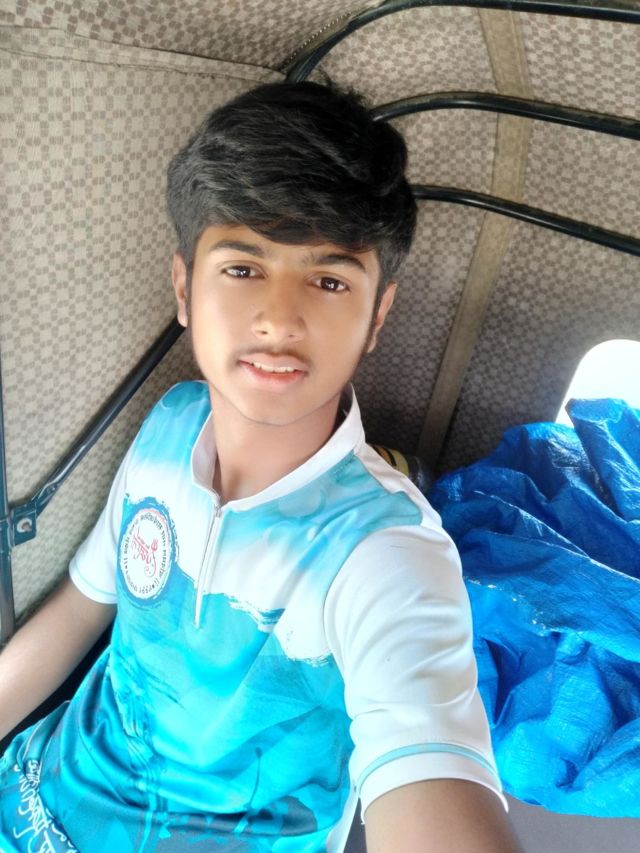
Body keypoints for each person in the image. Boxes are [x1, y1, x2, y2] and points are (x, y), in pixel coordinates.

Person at [0, 81, 521, 852]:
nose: (279, 318)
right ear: (185, 288)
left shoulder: (386, 552)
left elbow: (430, 767)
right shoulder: (169, 424)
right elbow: (83, 605)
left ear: (377, 316)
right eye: (243, 269)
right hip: (34, 791)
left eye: (330, 280)